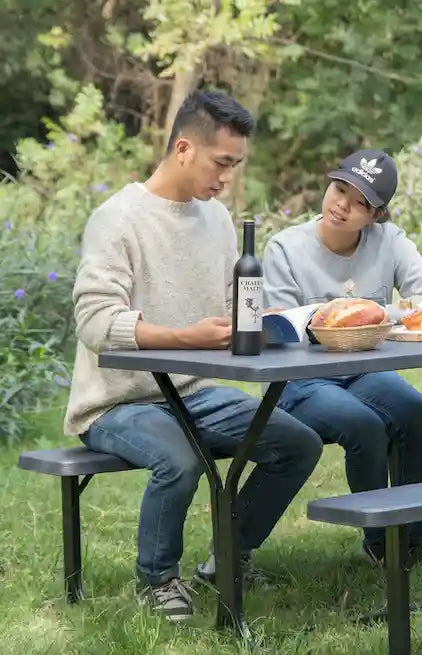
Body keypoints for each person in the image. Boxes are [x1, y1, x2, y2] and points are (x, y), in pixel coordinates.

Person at [64, 90, 323, 622]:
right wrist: (186, 339)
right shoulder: (116, 219)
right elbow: (94, 324)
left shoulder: (217, 220)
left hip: (194, 391)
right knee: (179, 461)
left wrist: (282, 321)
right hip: (117, 403)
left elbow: (231, 306)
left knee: (297, 443)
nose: (226, 177)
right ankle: (157, 580)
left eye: (235, 164)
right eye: (221, 162)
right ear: (184, 148)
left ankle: (227, 557)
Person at [261, 149, 422, 570]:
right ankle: (379, 541)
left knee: (417, 414)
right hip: (297, 379)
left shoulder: (390, 242)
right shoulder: (284, 248)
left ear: (377, 215)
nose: (341, 205)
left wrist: (376, 313)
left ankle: (415, 535)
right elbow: (277, 329)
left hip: (363, 370)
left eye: (359, 202)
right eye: (339, 189)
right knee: (364, 425)